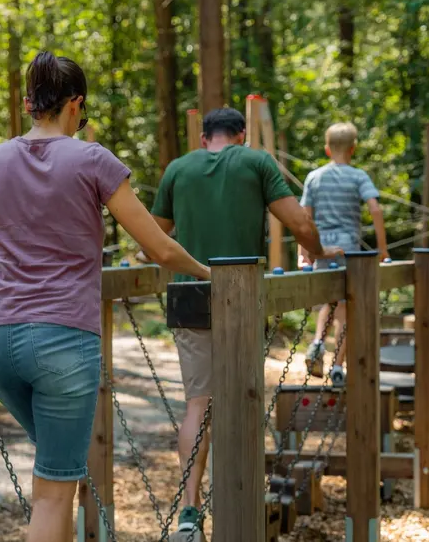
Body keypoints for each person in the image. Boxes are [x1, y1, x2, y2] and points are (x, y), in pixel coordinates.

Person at [0, 51, 209, 542]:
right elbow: (157, 247)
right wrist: (207, 273)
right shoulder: (93, 160)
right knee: (53, 493)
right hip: (63, 341)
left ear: (29, 104)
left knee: (54, 471)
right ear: (75, 104)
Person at [143, 107, 337, 536]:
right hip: (243, 298)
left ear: (203, 137)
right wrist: (316, 251)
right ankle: (239, 501)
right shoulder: (257, 161)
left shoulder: (178, 169)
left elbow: (152, 236)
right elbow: (300, 221)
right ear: (242, 134)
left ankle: (190, 510)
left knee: (198, 404)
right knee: (242, 399)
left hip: (189, 297)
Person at [299, 122, 390, 381]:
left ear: (327, 149)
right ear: (353, 148)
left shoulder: (314, 177)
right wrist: (382, 249)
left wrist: (304, 253)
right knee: (346, 309)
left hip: (321, 249)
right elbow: (375, 209)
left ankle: (318, 343)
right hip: (349, 250)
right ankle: (338, 367)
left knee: (329, 301)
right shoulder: (358, 176)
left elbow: (304, 217)